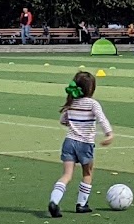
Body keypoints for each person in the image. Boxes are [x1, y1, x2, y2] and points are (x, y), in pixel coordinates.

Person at [48, 70, 115, 216]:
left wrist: (73, 122)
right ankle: (81, 204)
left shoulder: (71, 102)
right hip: (85, 143)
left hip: (69, 142)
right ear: (91, 88)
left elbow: (63, 120)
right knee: (87, 173)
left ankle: (54, 200)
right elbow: (102, 119)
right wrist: (109, 134)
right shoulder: (92, 104)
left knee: (67, 175)